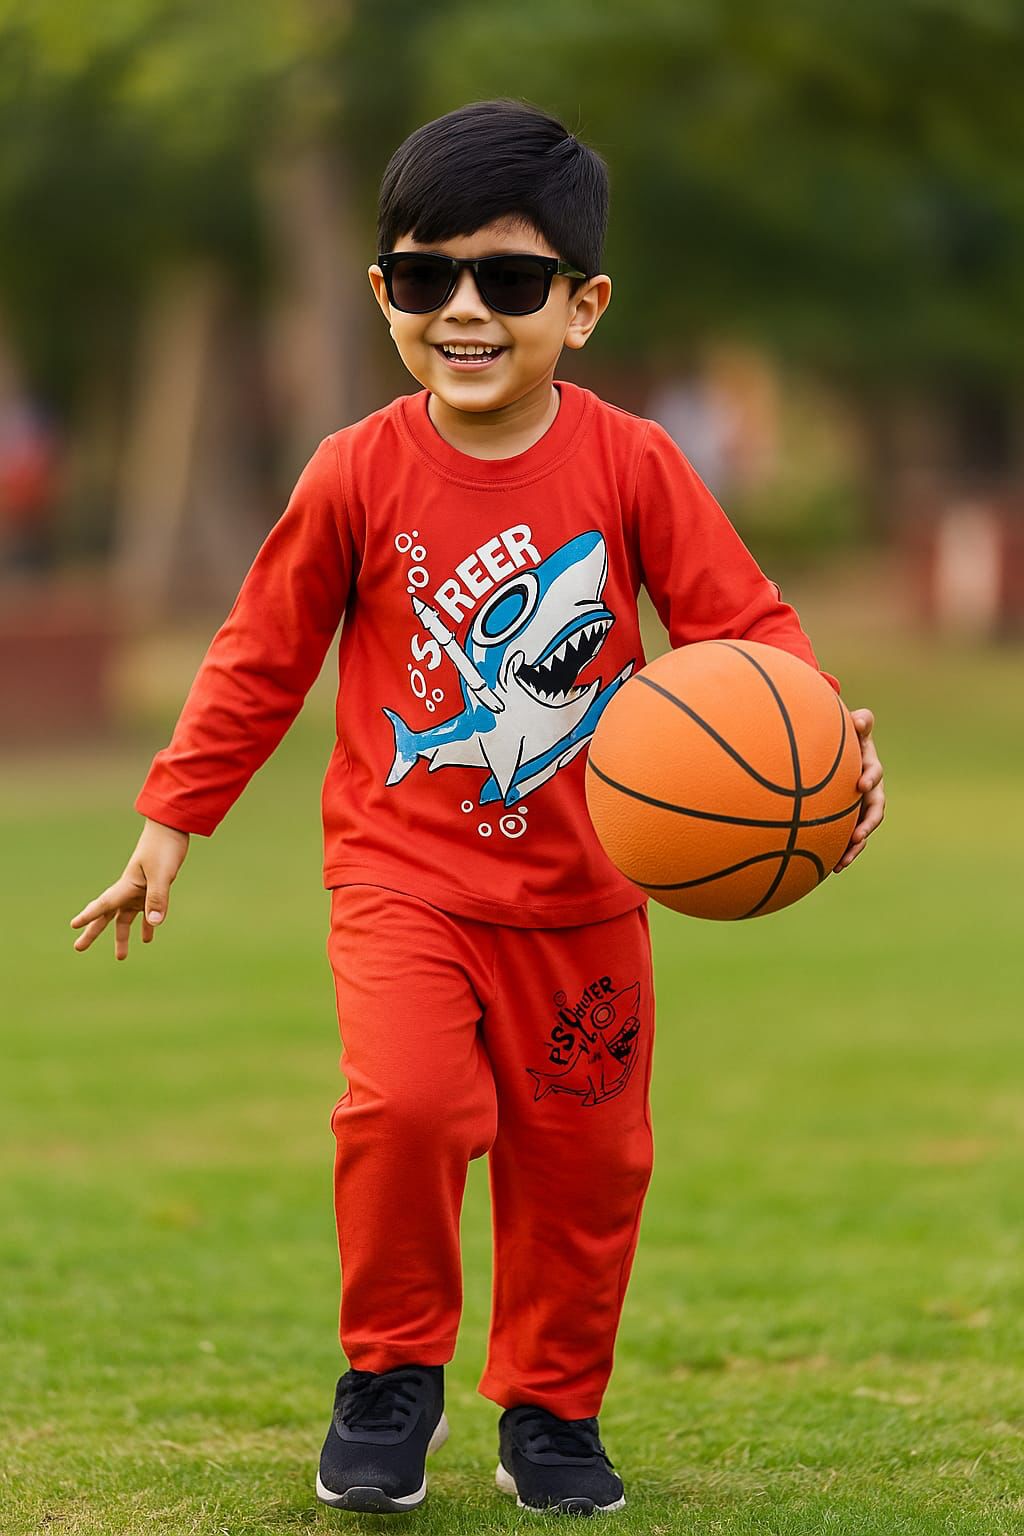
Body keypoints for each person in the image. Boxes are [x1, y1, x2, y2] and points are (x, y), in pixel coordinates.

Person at [69, 98, 885, 1518]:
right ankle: (389, 1379)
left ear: (583, 305)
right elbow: (260, 656)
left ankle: (552, 1414)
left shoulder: (634, 464)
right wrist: (169, 824)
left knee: (590, 1161)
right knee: (405, 1106)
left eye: (508, 281)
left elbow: (745, 630)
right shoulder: (356, 473)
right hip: (406, 878)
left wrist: (827, 749)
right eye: (421, 275)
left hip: (586, 895)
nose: (464, 309)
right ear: (383, 290)